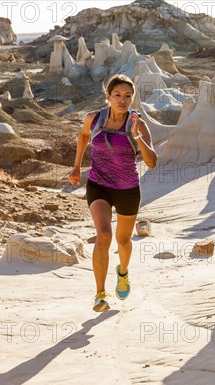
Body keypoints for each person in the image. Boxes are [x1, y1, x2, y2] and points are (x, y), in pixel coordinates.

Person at [69, 74, 157, 312]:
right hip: (98, 185)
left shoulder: (137, 123)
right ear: (108, 96)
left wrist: (138, 135)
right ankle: (99, 294)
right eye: (117, 95)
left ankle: (123, 273)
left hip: (127, 188)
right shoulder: (94, 118)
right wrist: (77, 165)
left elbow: (151, 162)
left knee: (124, 240)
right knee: (104, 235)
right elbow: (83, 135)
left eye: (128, 96)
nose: (122, 100)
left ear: (133, 98)